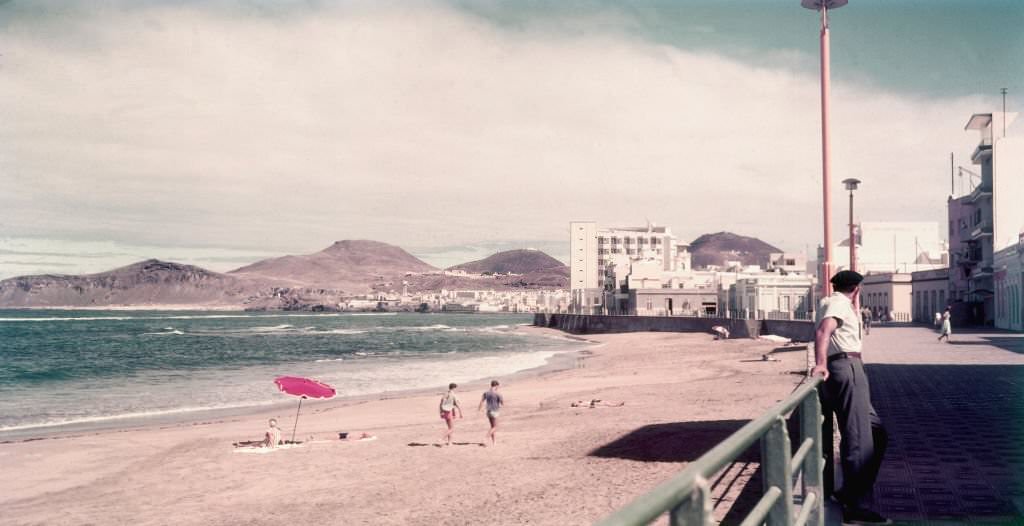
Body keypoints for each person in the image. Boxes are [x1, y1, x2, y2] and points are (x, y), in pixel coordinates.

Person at [812, 270, 890, 525]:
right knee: (859, 439)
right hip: (847, 366)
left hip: (844, 367)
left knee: (876, 433)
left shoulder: (827, 301)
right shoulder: (839, 304)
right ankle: (856, 508)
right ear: (857, 288)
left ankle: (848, 491)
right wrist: (820, 364)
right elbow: (824, 331)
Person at [478, 380, 504, 446]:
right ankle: (485, 438)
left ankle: (494, 442)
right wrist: (500, 404)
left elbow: (481, 401)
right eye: (498, 386)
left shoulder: (486, 393)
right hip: (495, 411)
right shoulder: (498, 393)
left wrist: (479, 409)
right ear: (496, 385)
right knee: (495, 427)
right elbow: (502, 403)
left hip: (488, 411)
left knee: (492, 427)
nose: (498, 387)